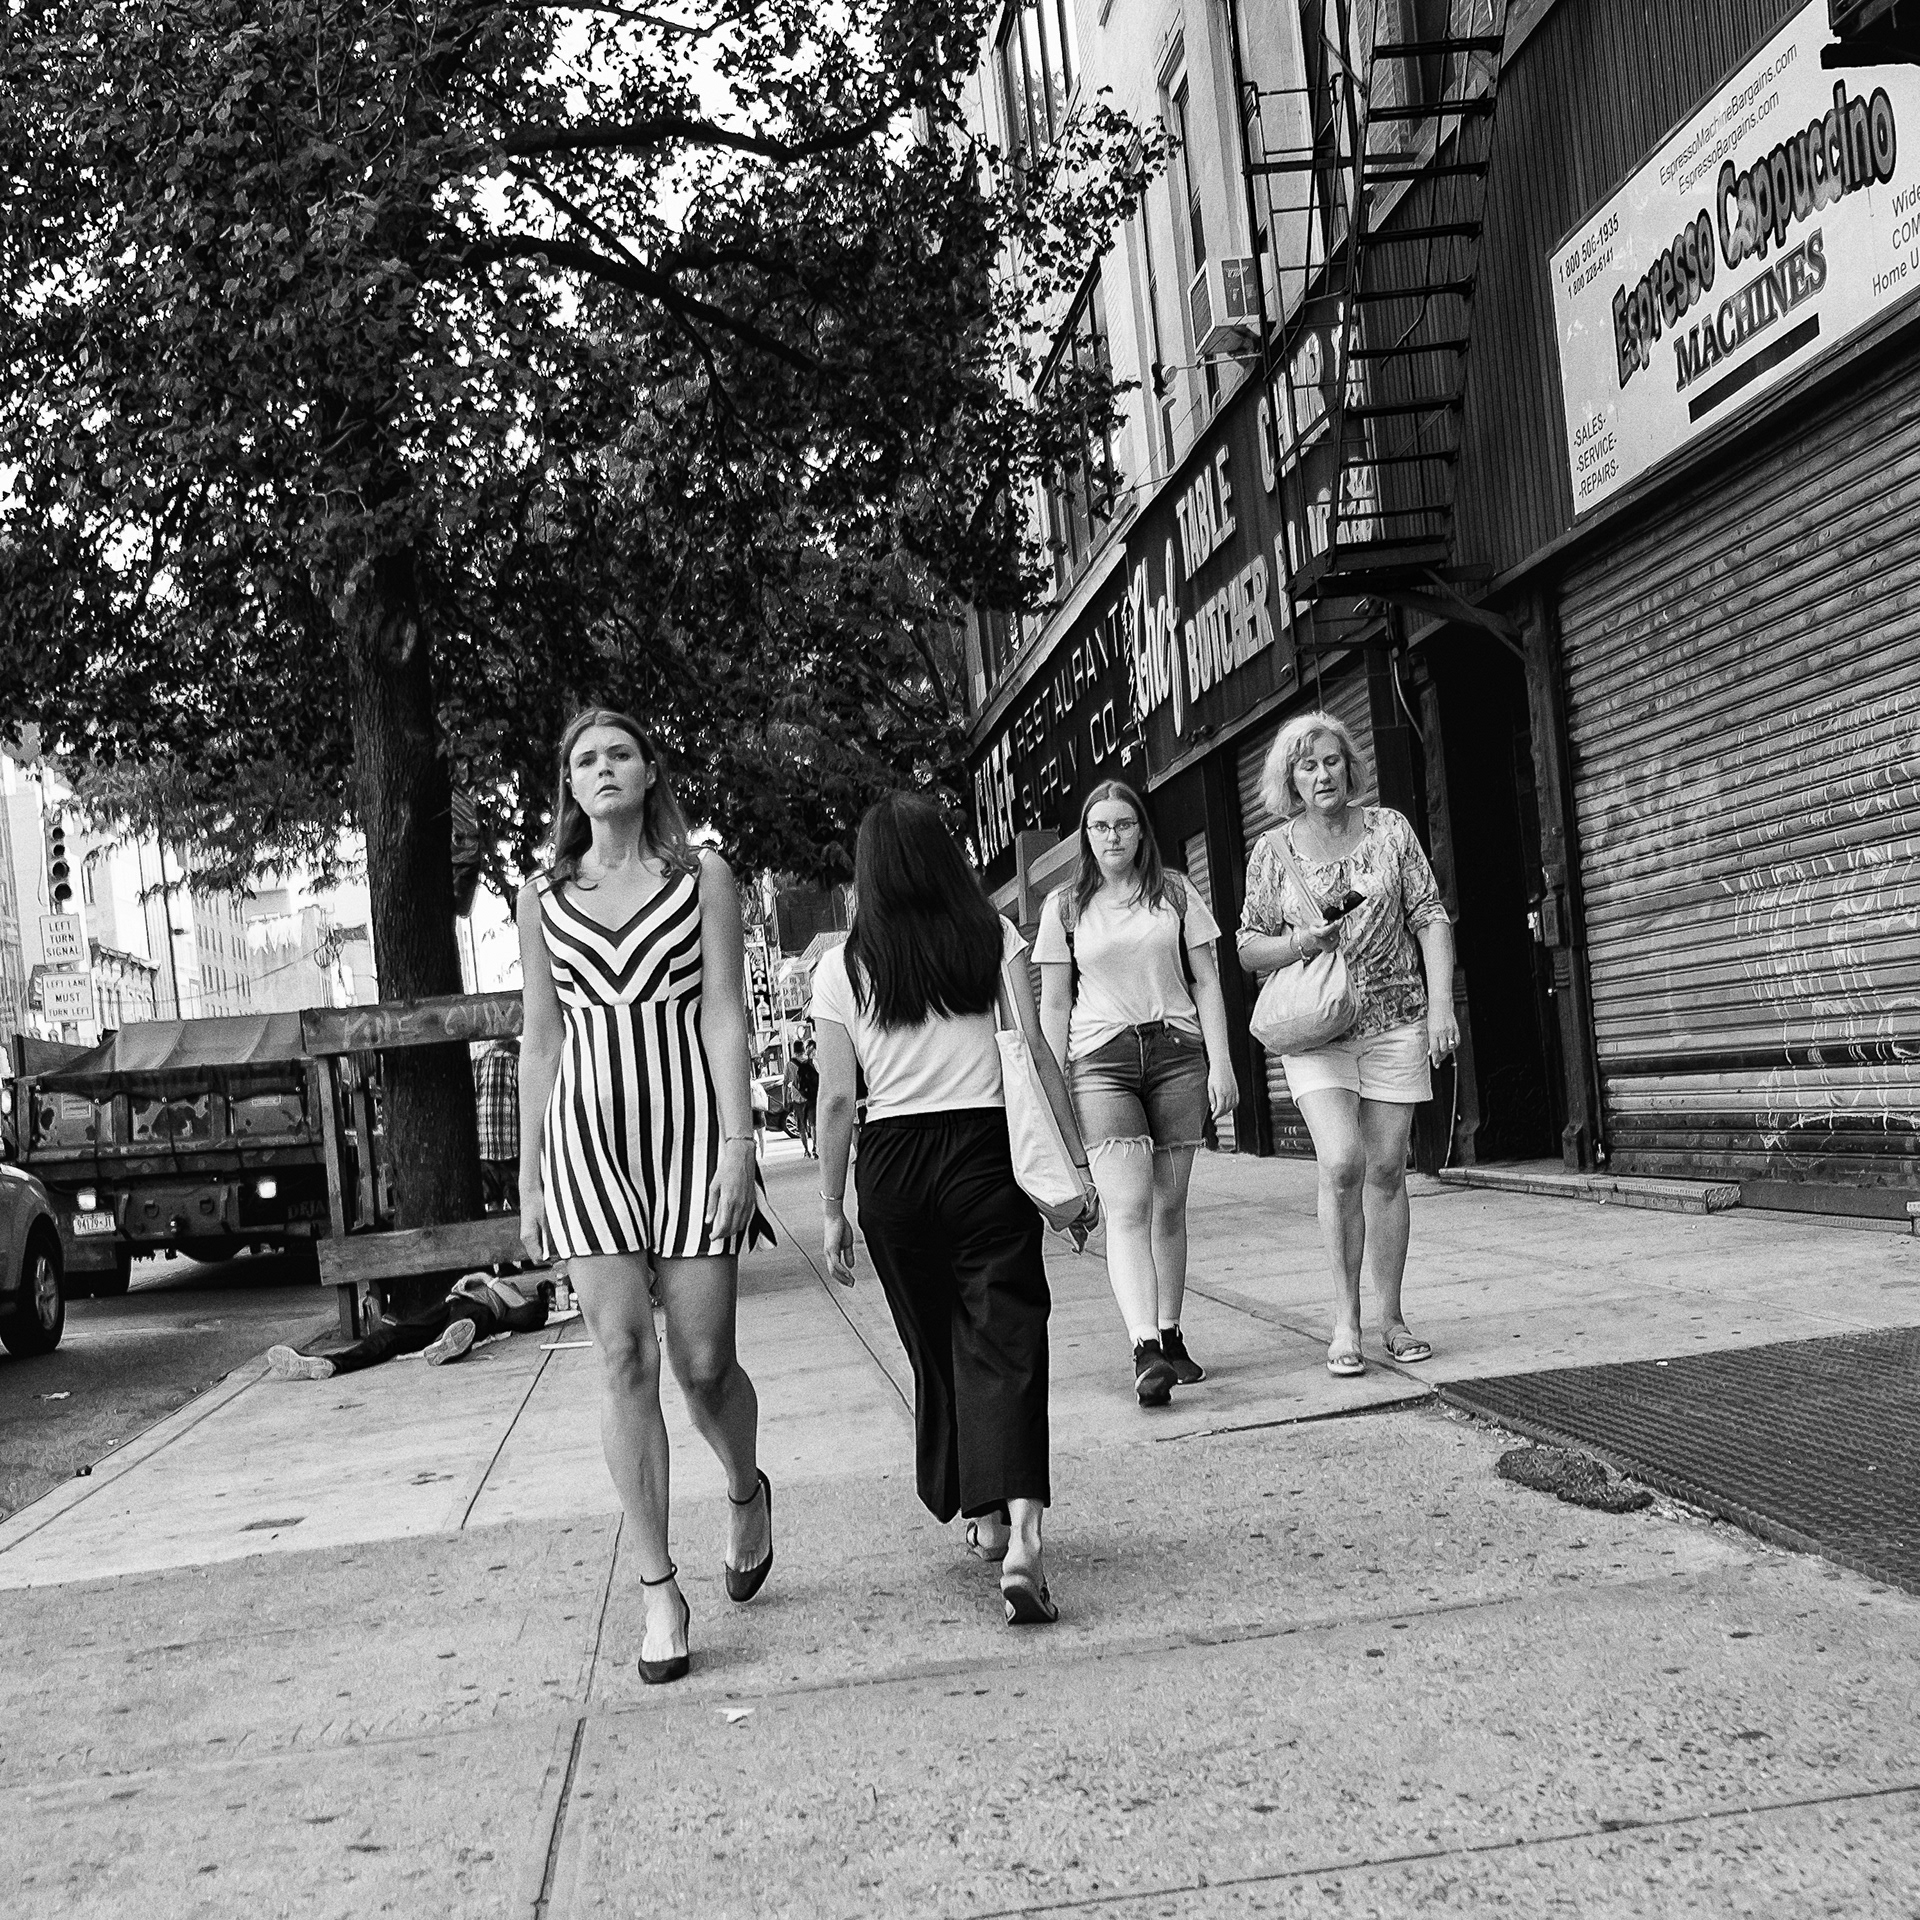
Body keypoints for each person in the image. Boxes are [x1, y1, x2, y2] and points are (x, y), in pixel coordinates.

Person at [518, 707, 775, 1687]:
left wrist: (739, 1144)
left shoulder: (701, 877)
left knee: (705, 1365)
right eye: (585, 759)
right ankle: (659, 1590)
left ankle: (745, 1489)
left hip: (689, 1142)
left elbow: (723, 1014)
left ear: (649, 770)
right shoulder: (542, 897)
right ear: (570, 785)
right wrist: (531, 1179)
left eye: (619, 753)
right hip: (586, 1149)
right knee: (624, 1356)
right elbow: (541, 1041)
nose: (603, 768)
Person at [813, 793, 1096, 1627]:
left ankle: (981, 1508)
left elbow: (837, 1099)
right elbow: (1035, 1049)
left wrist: (831, 1207)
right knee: (1007, 1337)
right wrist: (1075, 1164)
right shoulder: (991, 937)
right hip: (984, 1154)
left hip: (893, 1167)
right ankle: (1022, 1536)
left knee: (936, 1344)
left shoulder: (842, 968)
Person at [1236, 711, 1458, 1379]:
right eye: (1307, 766)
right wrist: (1300, 943)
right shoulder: (1272, 852)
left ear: (1349, 766)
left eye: (1332, 760)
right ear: (1290, 780)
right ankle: (1345, 1320)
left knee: (1387, 1169)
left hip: (1396, 1020)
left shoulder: (1390, 830)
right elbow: (1247, 947)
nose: (1322, 774)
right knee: (1341, 1163)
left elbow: (1429, 914)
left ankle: (1391, 1318)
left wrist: (1442, 1006)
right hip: (1318, 1029)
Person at [1033, 780, 1238, 1408]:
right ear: (1085, 837)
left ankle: (1171, 1333)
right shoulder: (1064, 907)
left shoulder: (1174, 892)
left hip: (1177, 1056)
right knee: (1126, 1208)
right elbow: (1054, 1005)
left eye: (1123, 824)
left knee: (1169, 1206)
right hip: (1102, 1063)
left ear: (1141, 830)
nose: (1112, 836)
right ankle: (1144, 1347)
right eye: (1099, 827)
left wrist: (1223, 1063)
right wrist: (1051, 1091)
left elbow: (1207, 980)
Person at [266, 1268, 549, 1378]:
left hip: (476, 1313)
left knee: (472, 1319)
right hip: (447, 1306)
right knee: (392, 1337)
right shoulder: (467, 1290)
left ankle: (449, 1343)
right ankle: (330, 1363)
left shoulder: (502, 1293)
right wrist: (461, 1287)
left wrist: (487, 1279)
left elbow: (526, 1311)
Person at [473, 1037, 520, 1211]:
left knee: (493, 1205)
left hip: (483, 1150)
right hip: (511, 1151)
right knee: (520, 1207)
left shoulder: (477, 1062)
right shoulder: (516, 1062)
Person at [793, 1041, 819, 1157]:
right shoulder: (813, 1063)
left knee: (802, 1127)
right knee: (813, 1124)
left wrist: (786, 1100)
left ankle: (806, 1150)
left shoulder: (790, 1065)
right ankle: (815, 1147)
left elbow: (789, 1083)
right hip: (813, 1098)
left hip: (799, 1099)